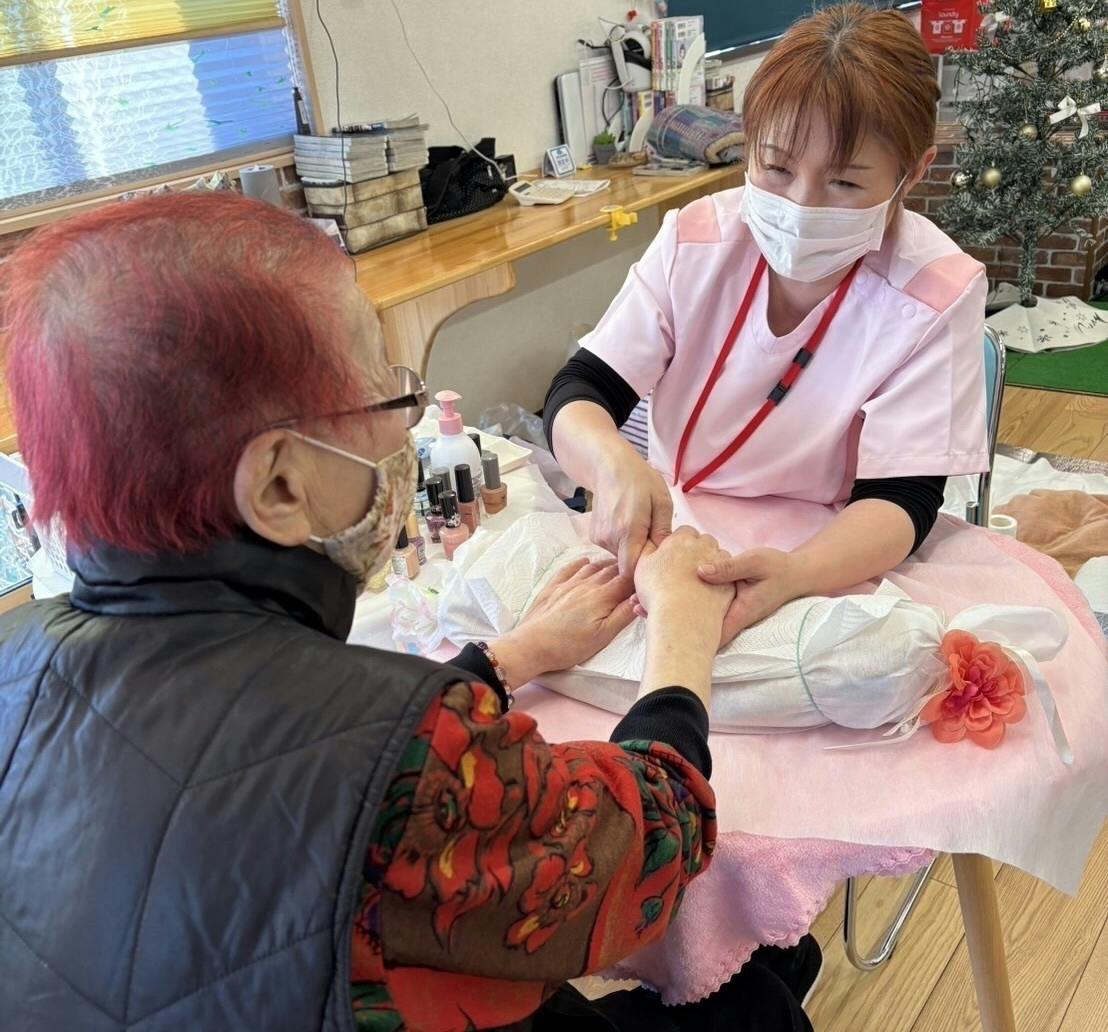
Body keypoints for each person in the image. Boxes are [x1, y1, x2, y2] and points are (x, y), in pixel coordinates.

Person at [0, 192, 817, 1031]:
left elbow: (257, 769)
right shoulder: (408, 756)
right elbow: (641, 852)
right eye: (386, 396)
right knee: (760, 1005)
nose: (408, 428)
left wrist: (504, 659)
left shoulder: (15, 664)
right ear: (279, 484)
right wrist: (680, 638)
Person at [545, 3, 990, 644]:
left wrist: (795, 574)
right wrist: (611, 462)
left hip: (827, 551)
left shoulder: (933, 293)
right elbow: (581, 390)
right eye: (776, 168)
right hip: (670, 531)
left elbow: (903, 499)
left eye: (844, 183)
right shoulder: (696, 240)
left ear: (912, 173)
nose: (800, 205)